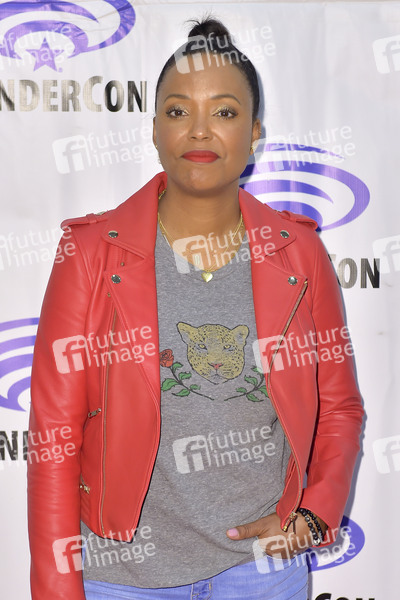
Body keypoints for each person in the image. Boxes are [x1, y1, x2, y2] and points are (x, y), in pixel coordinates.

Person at [27, 16, 364, 600]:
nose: (200, 129)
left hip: (262, 574)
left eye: (225, 112)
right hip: (122, 579)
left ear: (254, 132)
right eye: (179, 110)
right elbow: (54, 436)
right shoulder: (90, 253)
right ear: (155, 130)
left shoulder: (299, 253)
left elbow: (340, 407)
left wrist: (315, 517)